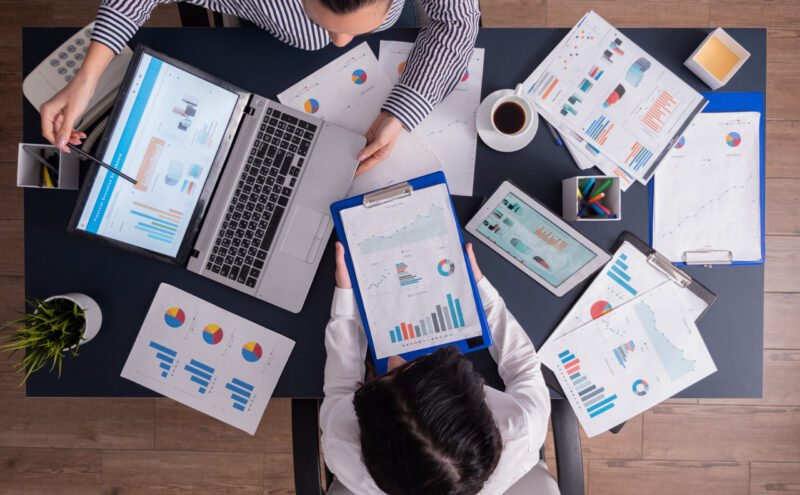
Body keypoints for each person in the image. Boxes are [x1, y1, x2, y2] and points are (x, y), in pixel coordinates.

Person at [40, 0, 480, 175]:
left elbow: (457, 20)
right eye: (325, 25)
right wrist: (87, 78)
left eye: (352, 30)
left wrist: (399, 114)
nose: (340, 44)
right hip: (258, 44)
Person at [321, 241, 551, 494]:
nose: (393, 358)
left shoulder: (344, 448)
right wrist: (480, 293)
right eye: (412, 365)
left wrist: (345, 305)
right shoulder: (522, 428)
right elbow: (524, 367)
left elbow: (340, 389)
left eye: (387, 374)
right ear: (472, 397)